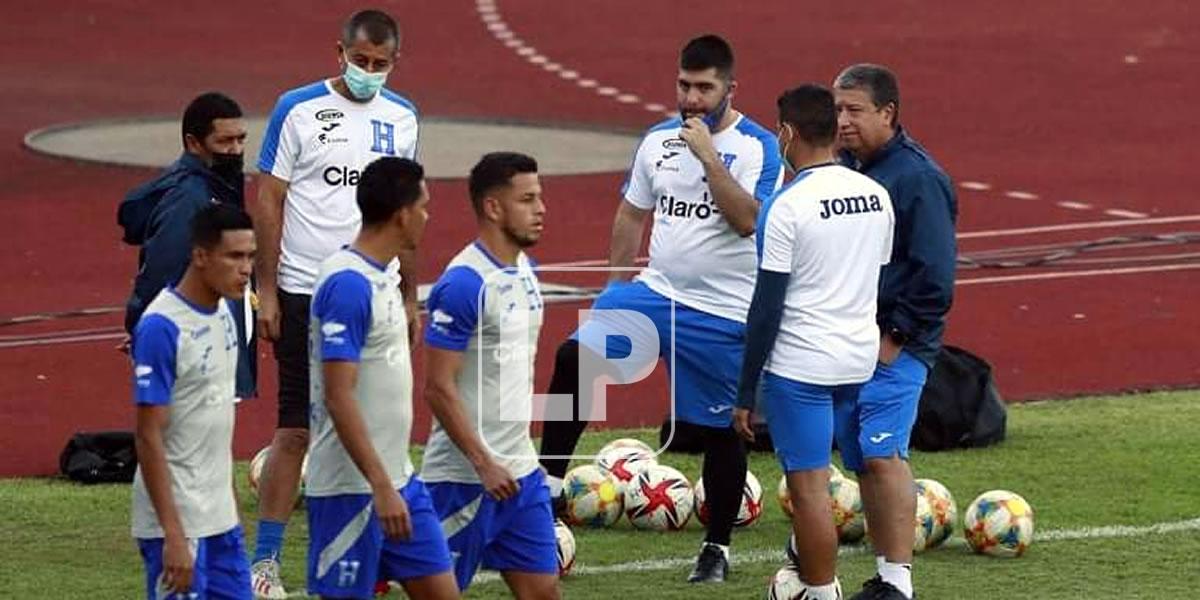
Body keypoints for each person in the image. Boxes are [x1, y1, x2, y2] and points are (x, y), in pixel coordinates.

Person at [536, 34, 783, 583]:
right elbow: (630, 215)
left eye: (704, 87)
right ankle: (547, 494)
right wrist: (613, 290)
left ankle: (715, 548)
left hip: (722, 313)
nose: (691, 98)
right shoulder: (655, 141)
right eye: (684, 85)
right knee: (574, 356)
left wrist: (709, 158)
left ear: (729, 89)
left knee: (723, 431)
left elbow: (748, 220)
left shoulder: (758, 147)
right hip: (656, 295)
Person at [248, 9, 420, 598]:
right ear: (339, 52)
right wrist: (265, 289)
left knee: (384, 425)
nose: (369, 72)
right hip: (305, 291)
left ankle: (380, 556)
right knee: (295, 428)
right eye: (361, 61)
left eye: (381, 64)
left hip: (378, 290)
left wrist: (410, 291)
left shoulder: (403, 118)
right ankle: (265, 562)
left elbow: (408, 207)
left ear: (395, 61)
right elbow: (268, 198)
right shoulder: (296, 109)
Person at [732, 84, 895, 600]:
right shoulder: (876, 195)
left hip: (801, 369)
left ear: (787, 133)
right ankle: (894, 575)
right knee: (864, 469)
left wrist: (744, 391)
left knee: (810, 492)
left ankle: (822, 594)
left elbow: (766, 308)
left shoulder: (785, 206)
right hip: (858, 359)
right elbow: (879, 275)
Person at [305, 157, 458, 600]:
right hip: (351, 492)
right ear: (402, 214)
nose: (428, 217)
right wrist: (379, 486)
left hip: (401, 481)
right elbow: (338, 396)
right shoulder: (348, 285)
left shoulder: (380, 278)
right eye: (424, 207)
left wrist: (393, 484)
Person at [832, 63, 958, 600]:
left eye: (855, 110)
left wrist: (895, 338)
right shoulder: (844, 169)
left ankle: (898, 584)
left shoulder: (917, 178)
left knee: (883, 454)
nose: (842, 120)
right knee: (860, 456)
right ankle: (884, 572)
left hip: (894, 342)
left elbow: (935, 273)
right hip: (848, 339)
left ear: (888, 113)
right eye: (838, 109)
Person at [422, 153, 560, 597]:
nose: (541, 209)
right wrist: (483, 462)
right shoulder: (463, 283)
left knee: (543, 593)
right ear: (493, 208)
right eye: (528, 199)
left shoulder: (527, 271)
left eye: (540, 197)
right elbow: (437, 388)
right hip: (463, 480)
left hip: (521, 474)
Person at [130, 203, 256, 599]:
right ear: (200, 256)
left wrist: (230, 507)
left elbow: (214, 418)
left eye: (251, 256)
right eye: (235, 256)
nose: (247, 268)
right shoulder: (161, 327)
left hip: (219, 521)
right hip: (178, 524)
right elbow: (148, 436)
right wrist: (173, 534)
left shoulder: (224, 313)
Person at [118, 91, 255, 399]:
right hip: (193, 345)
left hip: (210, 333)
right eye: (225, 142)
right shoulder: (187, 199)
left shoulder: (217, 183)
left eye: (241, 139)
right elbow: (161, 270)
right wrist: (145, 329)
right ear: (194, 143)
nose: (236, 150)